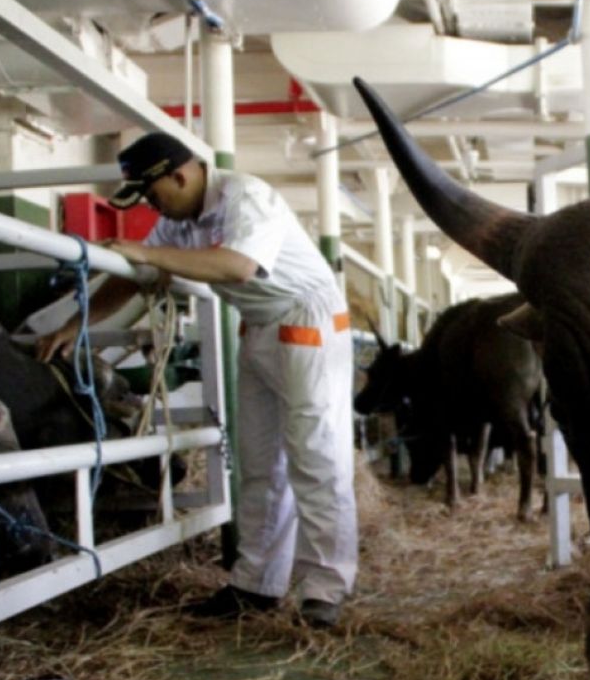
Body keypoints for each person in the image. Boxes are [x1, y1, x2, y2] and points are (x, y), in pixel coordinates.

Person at [37, 132, 358, 629]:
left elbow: (238, 264)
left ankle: (325, 591)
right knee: (259, 463)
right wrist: (74, 325)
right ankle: (257, 585)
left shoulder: (244, 196)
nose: (151, 205)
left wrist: (147, 255)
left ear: (180, 175)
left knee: (315, 458)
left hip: (308, 322)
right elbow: (132, 277)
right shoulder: (180, 219)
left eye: (152, 192)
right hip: (259, 330)